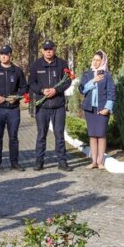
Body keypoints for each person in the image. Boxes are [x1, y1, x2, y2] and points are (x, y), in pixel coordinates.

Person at [28, 40, 73, 171]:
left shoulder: (62, 64)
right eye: (46, 49)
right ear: (42, 50)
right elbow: (31, 83)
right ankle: (39, 162)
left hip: (58, 106)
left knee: (59, 135)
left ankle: (62, 162)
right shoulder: (36, 65)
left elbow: (68, 81)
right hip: (42, 107)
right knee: (41, 134)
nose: (48, 51)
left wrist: (56, 90)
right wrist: (42, 90)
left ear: (54, 50)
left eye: (51, 49)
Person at [0, 45, 29, 171]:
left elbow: (24, 87)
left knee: (13, 137)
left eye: (6, 54)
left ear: (10, 55)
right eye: (1, 54)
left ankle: (14, 162)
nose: (3, 56)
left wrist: (17, 97)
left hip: (13, 110)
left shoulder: (17, 71)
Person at [79, 51, 116, 169]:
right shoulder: (87, 74)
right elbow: (82, 89)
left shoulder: (107, 75)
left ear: (103, 61)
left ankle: (100, 161)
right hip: (90, 109)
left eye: (98, 60)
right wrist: (93, 81)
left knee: (101, 135)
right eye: (94, 59)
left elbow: (111, 92)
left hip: (102, 109)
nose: (95, 62)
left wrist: (107, 108)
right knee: (92, 135)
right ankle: (93, 161)